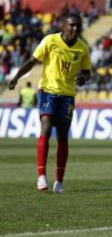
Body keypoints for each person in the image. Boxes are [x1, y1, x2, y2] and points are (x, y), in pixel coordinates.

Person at [8, 13, 91, 193]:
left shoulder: (82, 48)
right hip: (47, 92)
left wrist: (84, 78)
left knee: (62, 136)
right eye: (72, 25)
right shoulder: (50, 41)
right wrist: (16, 77)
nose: (75, 29)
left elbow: (87, 72)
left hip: (68, 95)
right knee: (45, 128)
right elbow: (32, 61)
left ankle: (59, 181)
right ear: (63, 26)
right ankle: (41, 176)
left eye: (78, 26)